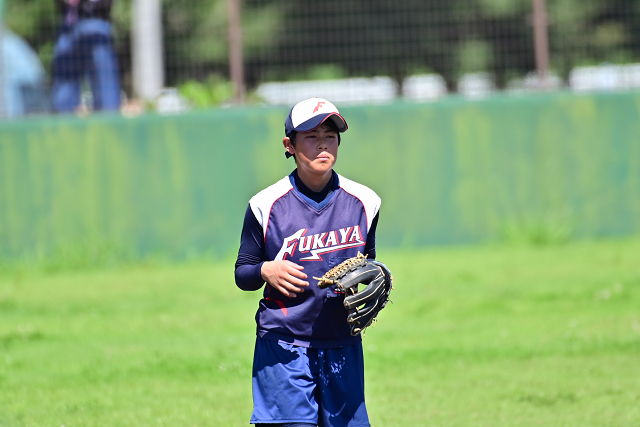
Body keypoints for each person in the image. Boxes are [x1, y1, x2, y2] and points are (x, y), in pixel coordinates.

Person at [235, 97, 381, 427]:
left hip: (341, 341)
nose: (322, 146)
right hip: (284, 342)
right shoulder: (266, 204)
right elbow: (242, 273)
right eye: (311, 137)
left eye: (330, 136)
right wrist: (265, 269)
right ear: (290, 145)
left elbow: (367, 263)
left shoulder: (365, 202)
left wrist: (374, 276)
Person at [51, 0, 121, 113]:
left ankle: (110, 125)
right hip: (68, 25)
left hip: (96, 20)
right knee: (64, 90)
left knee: (105, 88)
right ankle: (63, 126)